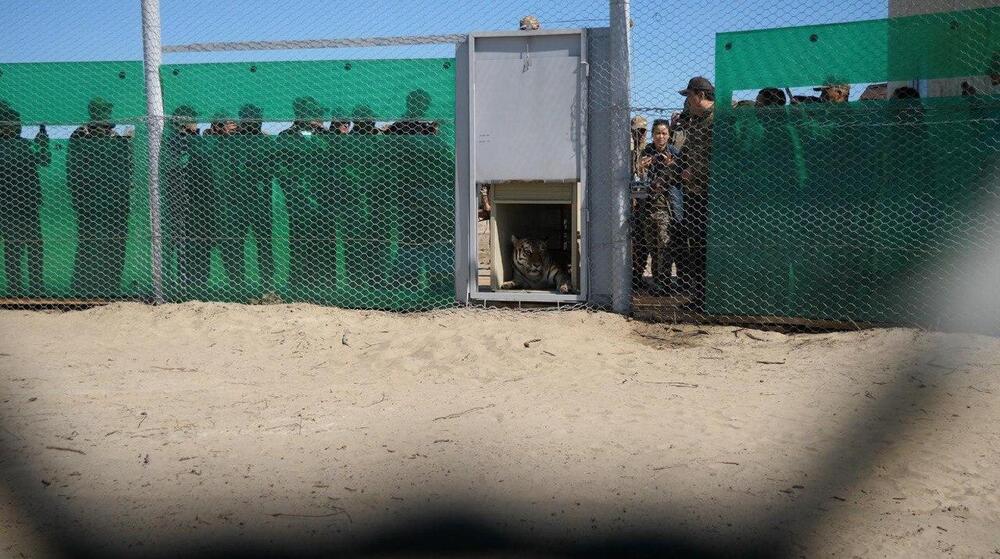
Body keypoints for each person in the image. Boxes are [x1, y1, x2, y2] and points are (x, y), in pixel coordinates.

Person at [66, 97, 134, 297]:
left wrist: (127, 144)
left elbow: (126, 168)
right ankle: (83, 289)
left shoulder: (116, 136)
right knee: (89, 244)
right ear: (93, 112)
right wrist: (80, 199)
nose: (106, 114)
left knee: (116, 244)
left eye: (107, 110)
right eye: (102, 110)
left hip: (116, 203)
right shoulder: (80, 135)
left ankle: (111, 287)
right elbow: (74, 171)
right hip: (91, 203)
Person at [217, 104, 275, 295]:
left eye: (258, 117)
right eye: (253, 118)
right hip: (238, 202)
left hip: (259, 202)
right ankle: (237, 285)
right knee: (235, 245)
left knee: (264, 245)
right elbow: (222, 168)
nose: (258, 121)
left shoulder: (265, 141)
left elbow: (272, 169)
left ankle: (266, 286)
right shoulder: (231, 141)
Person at [278, 96, 333, 295]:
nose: (319, 116)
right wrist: (296, 193)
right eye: (315, 112)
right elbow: (281, 169)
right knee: (300, 242)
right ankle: (297, 285)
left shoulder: (326, 136)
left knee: (325, 243)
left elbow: (334, 166)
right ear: (302, 113)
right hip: (299, 202)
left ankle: (327, 286)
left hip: (324, 200)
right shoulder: (286, 136)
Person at [161, 105, 215, 295]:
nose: (196, 122)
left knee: (201, 243)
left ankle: (199, 285)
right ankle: (184, 287)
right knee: (184, 243)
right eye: (192, 119)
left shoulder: (194, 139)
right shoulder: (175, 141)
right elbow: (176, 168)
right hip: (183, 200)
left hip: (200, 200)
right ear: (182, 122)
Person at [0, 101, 50, 297]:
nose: (19, 126)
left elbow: (44, 160)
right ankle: (22, 289)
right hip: (12, 205)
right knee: (20, 247)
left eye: (18, 123)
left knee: (27, 246)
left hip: (25, 204)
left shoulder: (23, 144)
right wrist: (41, 146)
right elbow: (44, 160)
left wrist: (42, 144)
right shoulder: (17, 146)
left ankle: (27, 289)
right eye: (15, 123)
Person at [676, 76, 715, 310]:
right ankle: (700, 298)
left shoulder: (718, 120)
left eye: (689, 96)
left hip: (714, 197)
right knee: (697, 248)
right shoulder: (696, 123)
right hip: (694, 196)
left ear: (700, 95)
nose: (687, 101)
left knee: (711, 248)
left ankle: (712, 298)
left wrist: (695, 170)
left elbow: (724, 157)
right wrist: (664, 179)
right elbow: (683, 158)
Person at [635, 119, 682, 293]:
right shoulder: (647, 152)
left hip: (666, 207)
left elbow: (681, 179)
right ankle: (657, 282)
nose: (660, 137)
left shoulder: (674, 153)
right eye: (657, 133)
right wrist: (640, 167)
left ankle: (665, 282)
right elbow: (637, 176)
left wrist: (671, 167)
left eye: (664, 133)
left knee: (665, 245)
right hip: (648, 207)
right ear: (652, 135)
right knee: (653, 248)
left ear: (669, 135)